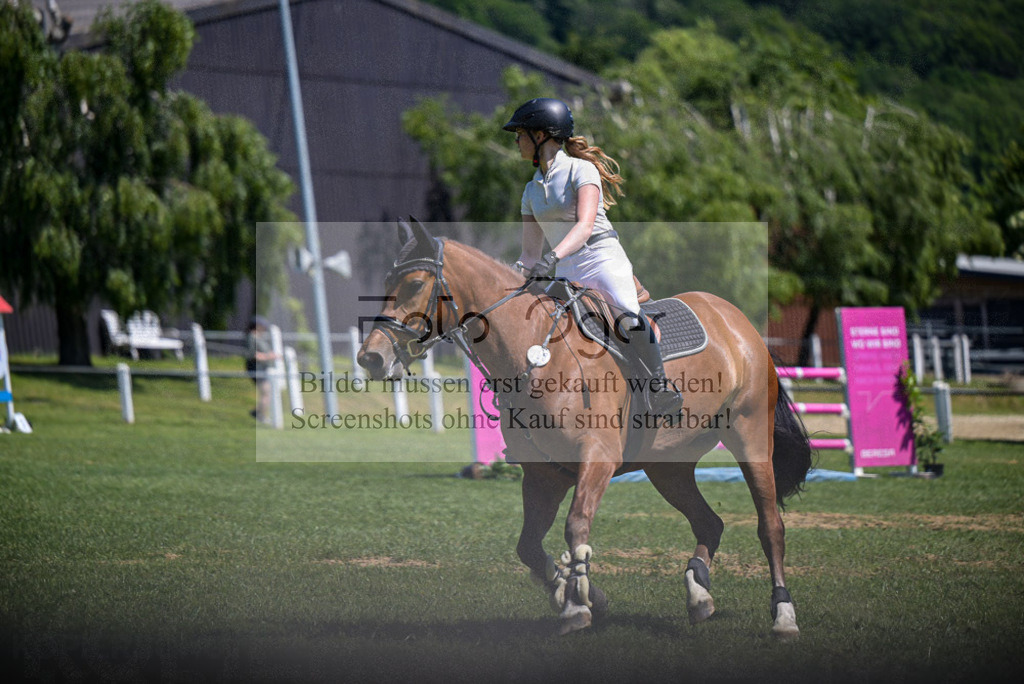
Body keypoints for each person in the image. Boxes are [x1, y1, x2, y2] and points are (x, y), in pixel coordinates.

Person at [503, 97, 681, 417]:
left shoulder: (581, 170)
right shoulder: (531, 191)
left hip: (600, 258)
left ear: (540, 135)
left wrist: (552, 257)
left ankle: (659, 387)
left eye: (520, 134)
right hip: (565, 269)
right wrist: (510, 279)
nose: (516, 141)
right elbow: (530, 254)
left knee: (627, 313)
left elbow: (584, 227)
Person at [245, 316, 280, 424]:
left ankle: (259, 413)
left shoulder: (258, 337)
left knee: (266, 393)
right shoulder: (251, 337)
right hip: (257, 368)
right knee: (266, 393)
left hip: (263, 369)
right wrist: (269, 356)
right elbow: (253, 355)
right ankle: (260, 415)